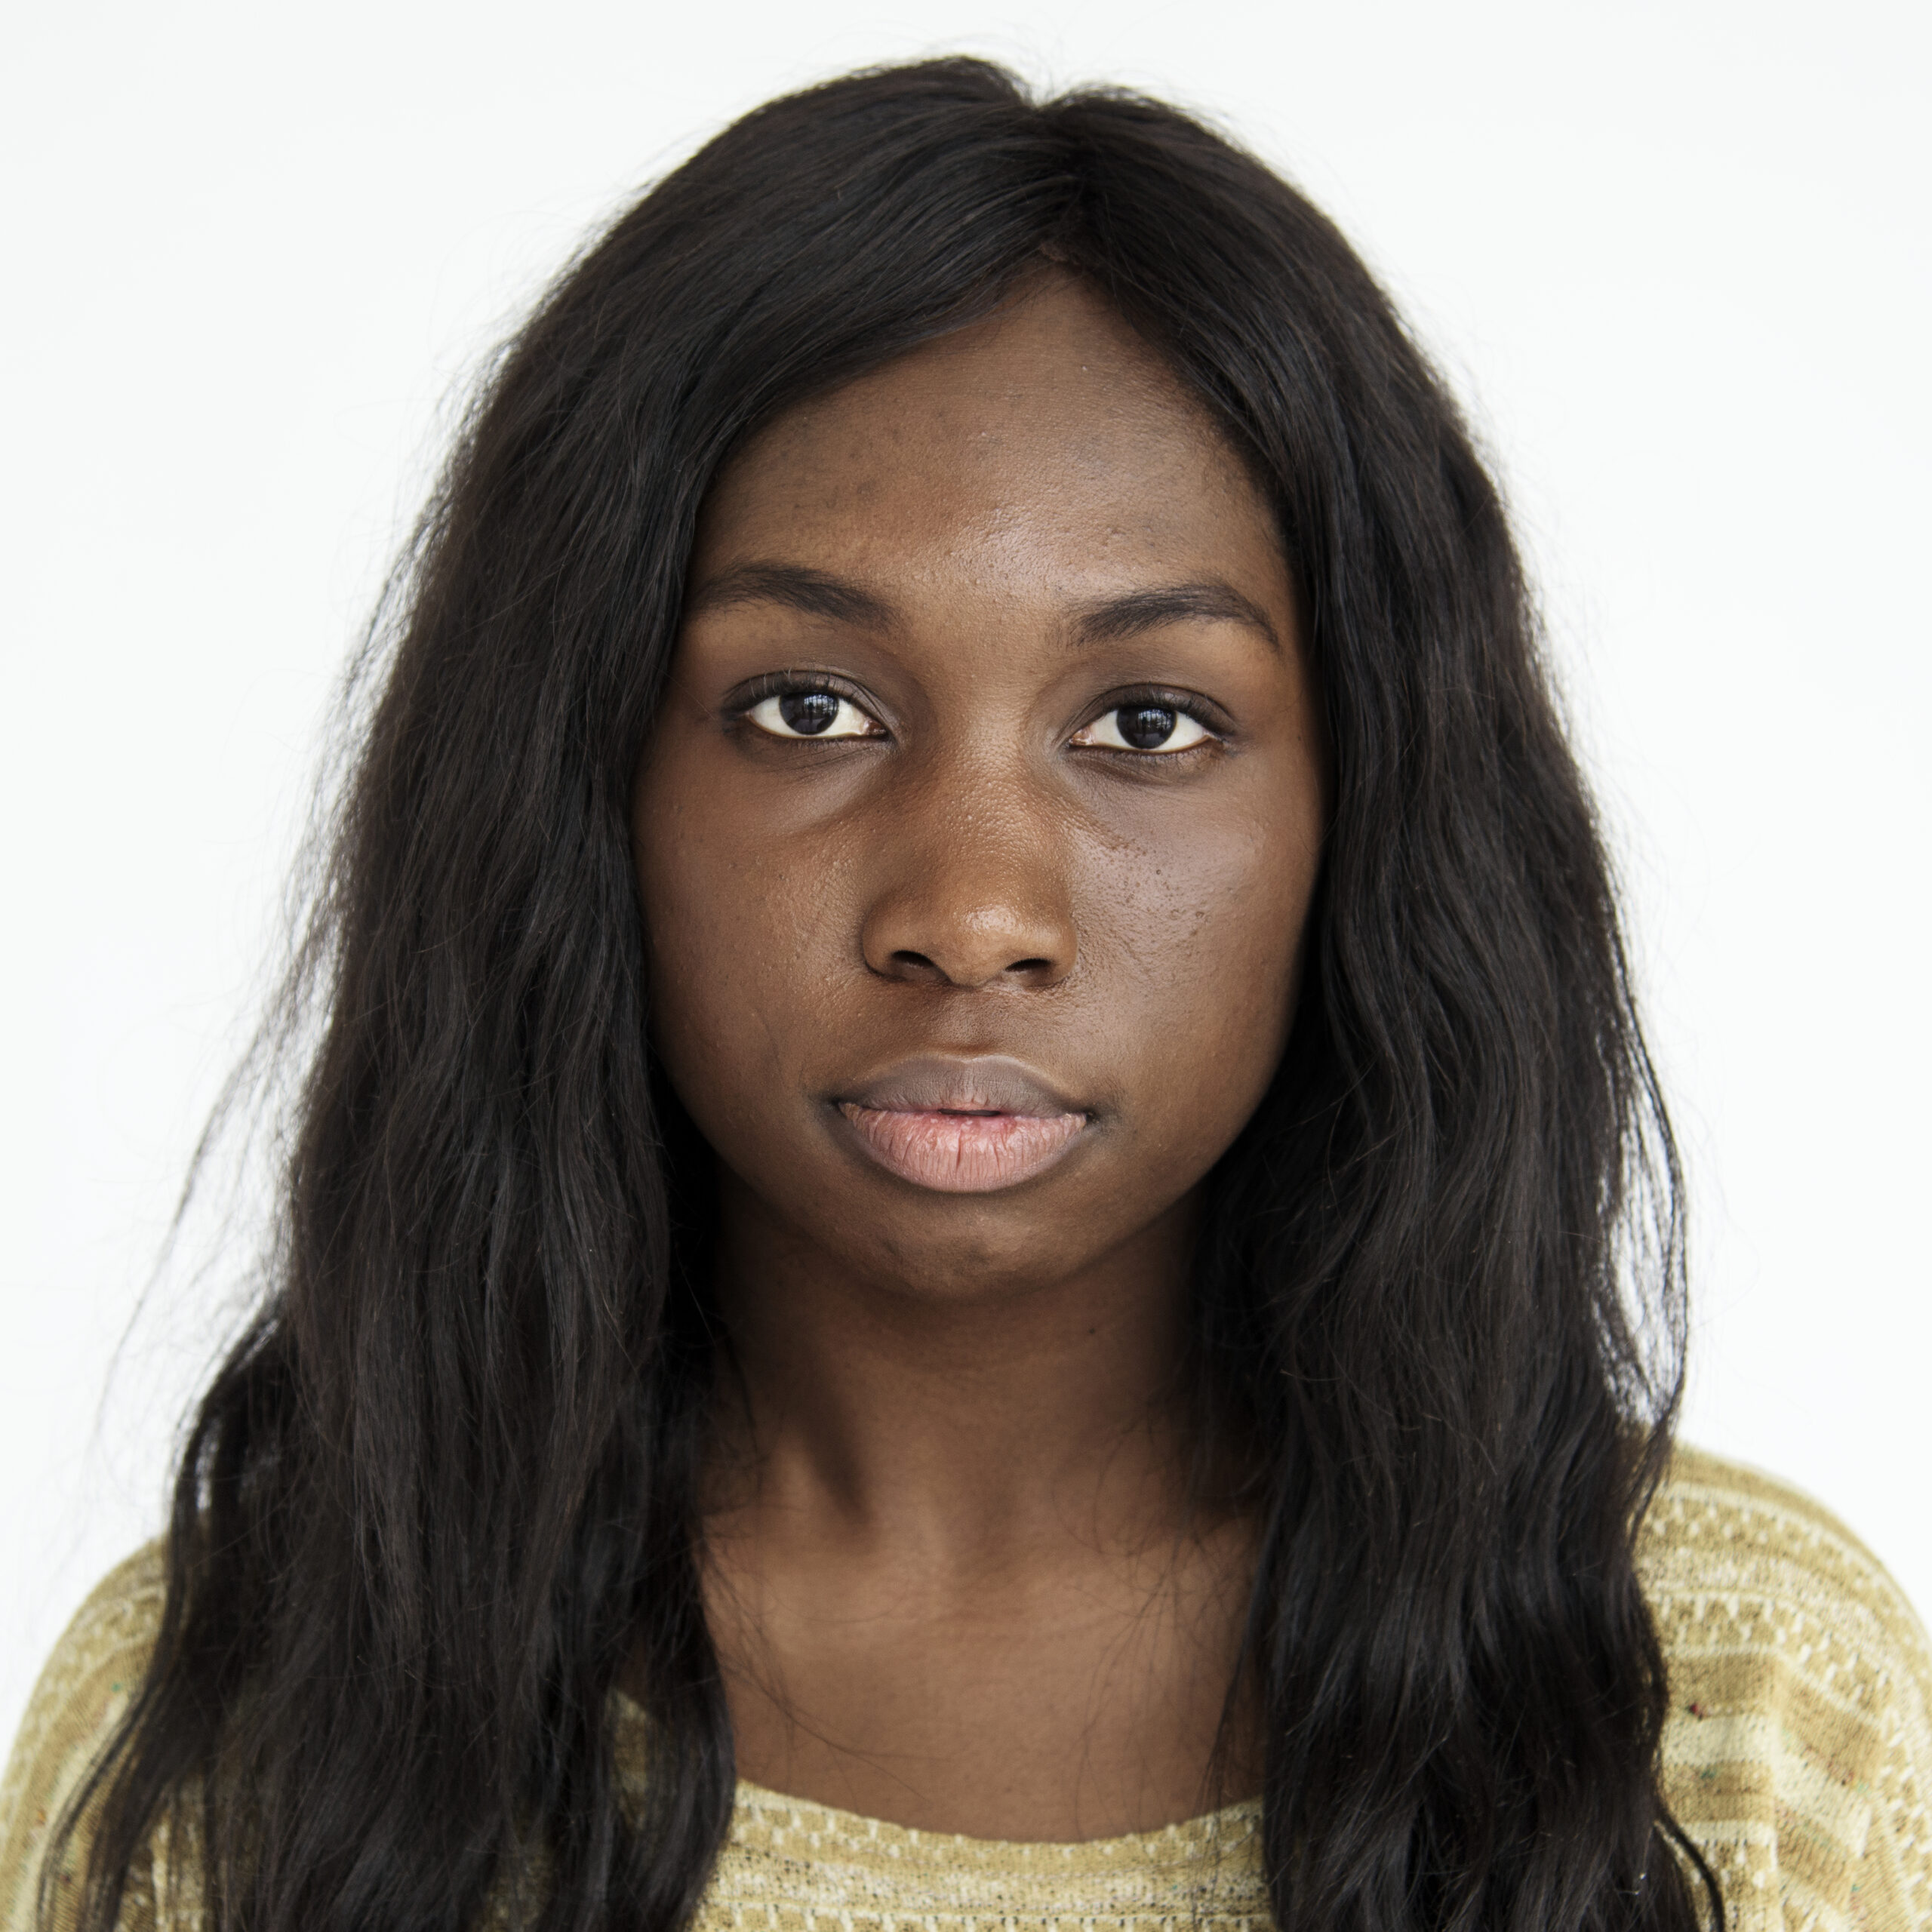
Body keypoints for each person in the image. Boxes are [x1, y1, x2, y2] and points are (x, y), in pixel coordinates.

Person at [2, 56, 1927, 1932]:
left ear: (1366, 814)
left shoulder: (1745, 1708)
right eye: (806, 708)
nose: (975, 908)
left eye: (1148, 722)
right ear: (579, 786)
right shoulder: (252, 1723)